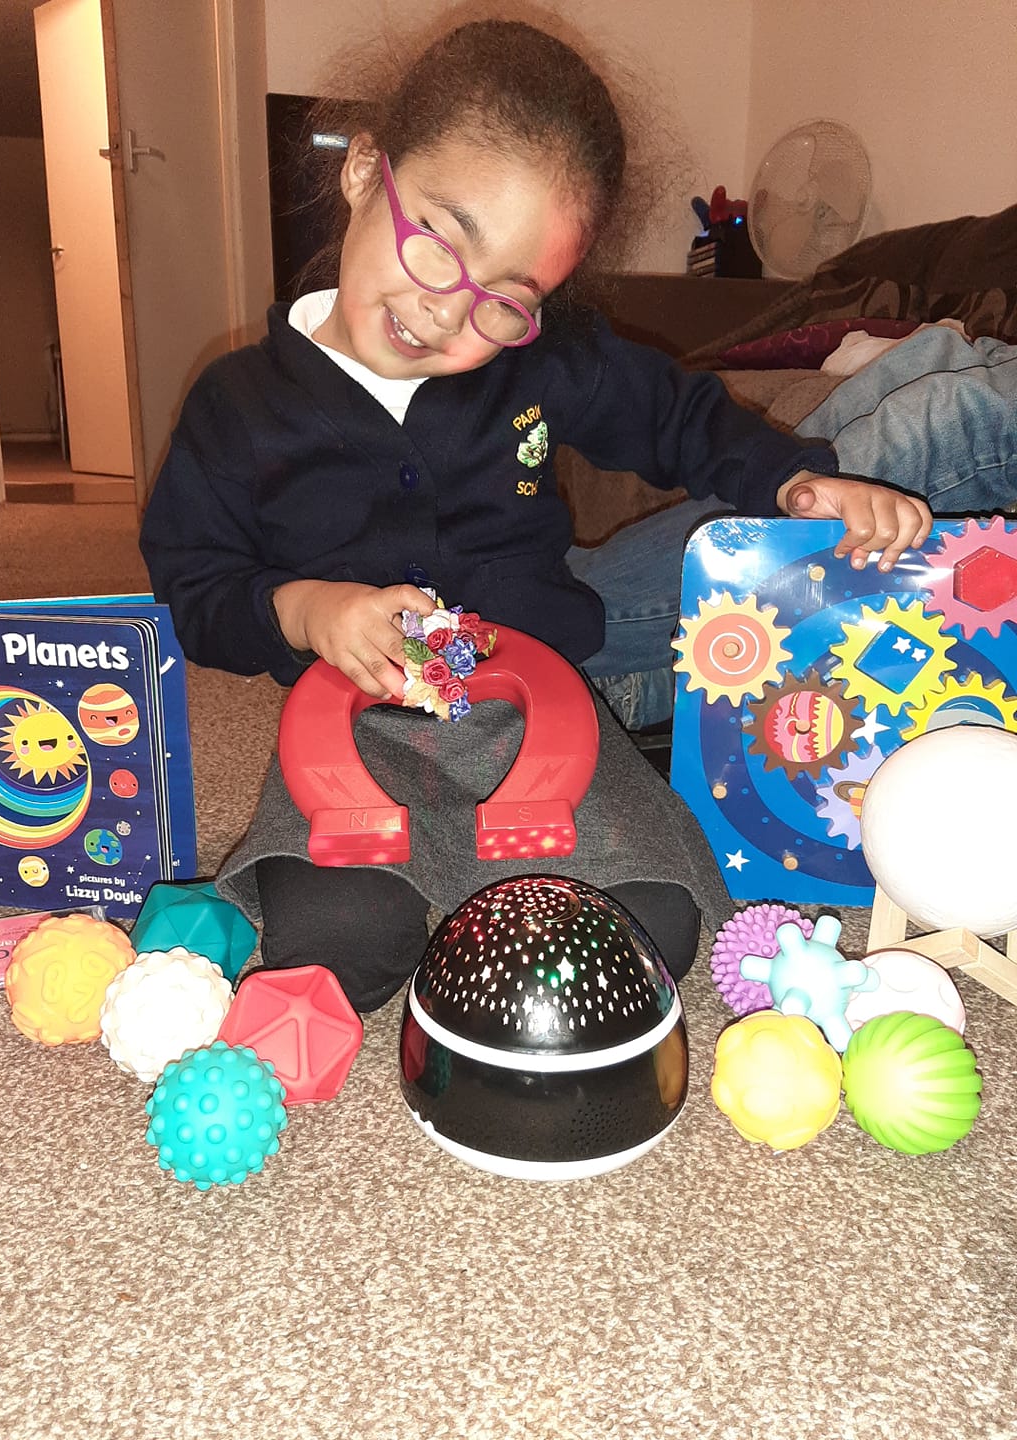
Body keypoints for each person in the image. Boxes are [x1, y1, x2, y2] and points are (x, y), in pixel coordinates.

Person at [139, 16, 932, 1013]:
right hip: (353, 727)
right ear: (367, 171)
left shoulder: (539, 362)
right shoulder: (238, 405)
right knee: (337, 948)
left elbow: (677, 415)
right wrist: (303, 609)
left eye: (504, 301)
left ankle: (518, 877)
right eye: (438, 244)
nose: (446, 311)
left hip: (541, 708)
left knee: (651, 929)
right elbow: (194, 582)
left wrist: (792, 482)